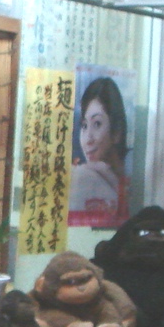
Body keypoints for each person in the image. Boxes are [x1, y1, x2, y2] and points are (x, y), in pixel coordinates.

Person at [69, 76, 130, 225]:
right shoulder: (83, 174)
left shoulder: (128, 179)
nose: (88, 139)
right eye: (84, 126)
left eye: (97, 124)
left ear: (116, 132)